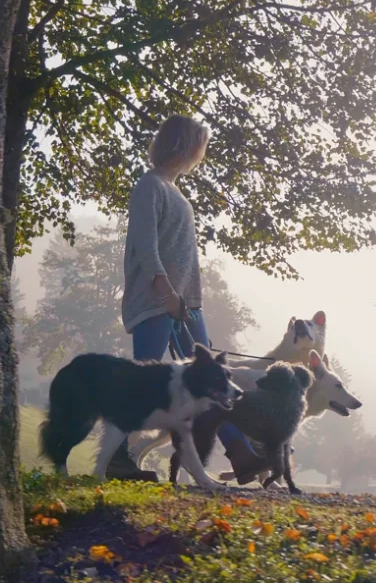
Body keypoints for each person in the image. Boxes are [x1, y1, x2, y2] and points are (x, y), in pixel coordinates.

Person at [107, 114, 266, 482]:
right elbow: (146, 248)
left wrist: (186, 300)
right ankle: (115, 458)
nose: (202, 152)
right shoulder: (150, 186)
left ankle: (240, 453)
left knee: (213, 381)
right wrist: (166, 293)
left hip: (186, 304)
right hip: (157, 301)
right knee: (141, 380)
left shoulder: (175, 191)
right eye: (199, 143)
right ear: (184, 144)